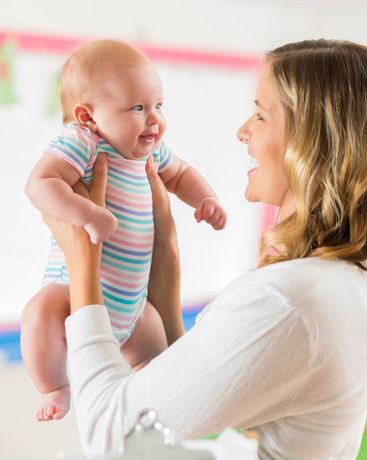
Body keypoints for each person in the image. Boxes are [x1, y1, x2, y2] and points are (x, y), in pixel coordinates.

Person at [44, 39, 367, 460]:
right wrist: (166, 268)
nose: (243, 131)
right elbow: (197, 401)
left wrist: (84, 261)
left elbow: (112, 435)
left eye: (261, 115)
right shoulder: (343, 279)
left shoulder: (290, 301)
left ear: (312, 142)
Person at [20, 39, 227, 422]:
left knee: (159, 363)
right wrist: (87, 214)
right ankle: (54, 387)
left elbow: (180, 174)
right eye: (137, 108)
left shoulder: (150, 150)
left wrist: (205, 199)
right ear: (88, 116)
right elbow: (40, 183)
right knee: (38, 314)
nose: (154, 119)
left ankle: (151, 408)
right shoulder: (83, 142)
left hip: (133, 304)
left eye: (158, 105)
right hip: (71, 292)